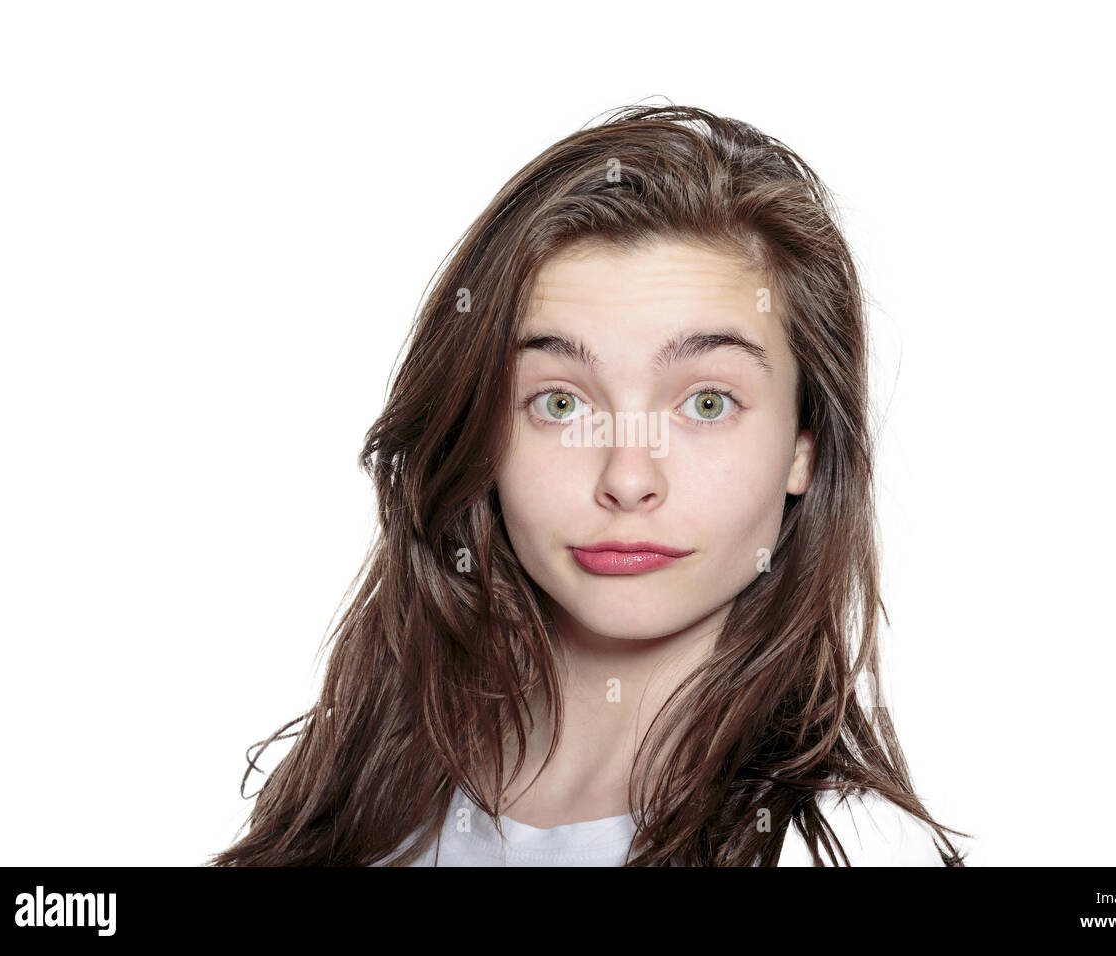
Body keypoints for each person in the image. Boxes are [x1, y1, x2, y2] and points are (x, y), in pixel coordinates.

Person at [209, 104, 971, 866]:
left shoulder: (847, 848)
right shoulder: (353, 802)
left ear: (803, 448)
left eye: (707, 403)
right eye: (561, 403)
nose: (628, 477)